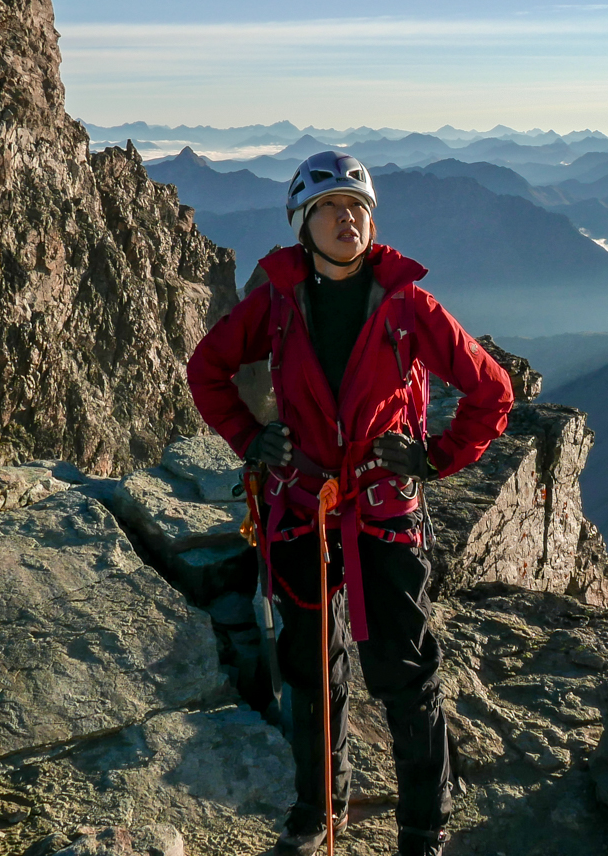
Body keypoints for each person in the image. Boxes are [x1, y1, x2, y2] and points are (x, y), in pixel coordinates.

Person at [186, 151, 514, 856]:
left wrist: (436, 457)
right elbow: (206, 369)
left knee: (403, 670)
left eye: (359, 207)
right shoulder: (277, 302)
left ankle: (424, 830)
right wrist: (250, 439)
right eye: (331, 208)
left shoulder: (407, 304)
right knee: (309, 664)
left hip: (381, 510)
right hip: (303, 505)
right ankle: (317, 811)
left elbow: (493, 392)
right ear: (304, 224)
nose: (349, 219)